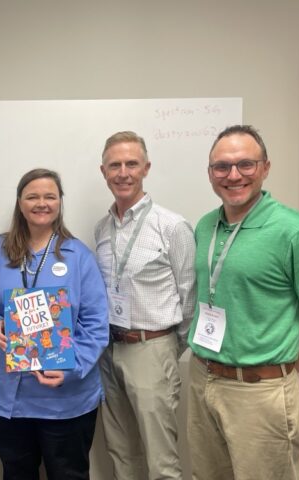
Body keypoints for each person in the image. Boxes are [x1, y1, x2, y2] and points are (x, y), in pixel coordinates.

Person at [188, 125, 299, 480]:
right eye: (222, 167)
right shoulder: (206, 226)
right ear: (211, 173)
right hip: (204, 379)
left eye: (246, 164)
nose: (233, 175)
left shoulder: (297, 233)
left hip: (261, 393)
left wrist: (280, 371)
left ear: (266, 168)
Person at [0, 168, 108, 480]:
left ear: (60, 202)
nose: (41, 203)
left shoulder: (79, 257)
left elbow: (96, 325)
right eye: (32, 196)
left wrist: (72, 367)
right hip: (8, 398)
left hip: (65, 398)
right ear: (20, 203)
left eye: (50, 196)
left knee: (68, 474)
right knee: (16, 473)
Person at [94, 131, 196, 479]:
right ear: (103, 171)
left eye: (131, 164)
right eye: (115, 165)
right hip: (108, 351)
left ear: (146, 168)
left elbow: (190, 298)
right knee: (121, 452)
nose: (123, 172)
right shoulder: (101, 229)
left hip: (152, 349)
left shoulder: (172, 227)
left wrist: (166, 347)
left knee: (160, 460)